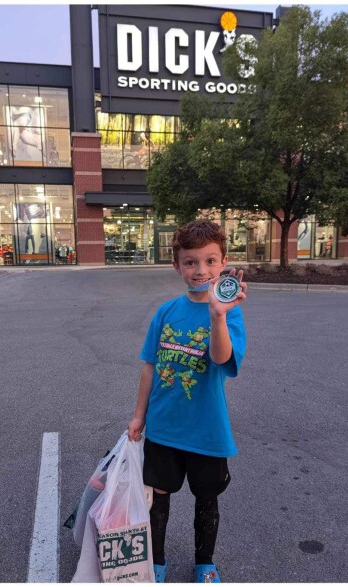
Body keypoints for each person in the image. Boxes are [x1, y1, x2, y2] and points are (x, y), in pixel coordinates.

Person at [127, 219, 247, 583]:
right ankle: (156, 562)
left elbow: (222, 357)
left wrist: (217, 315)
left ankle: (204, 562)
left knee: (206, 498)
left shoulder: (230, 314)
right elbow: (149, 366)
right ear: (176, 265)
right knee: (158, 498)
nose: (201, 270)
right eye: (191, 262)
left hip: (207, 431)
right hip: (164, 427)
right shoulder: (165, 313)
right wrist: (139, 416)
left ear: (223, 262)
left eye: (210, 261)